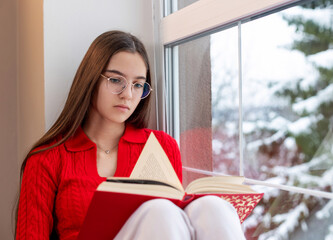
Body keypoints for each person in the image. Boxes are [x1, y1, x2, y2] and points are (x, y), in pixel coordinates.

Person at [15, 30, 245, 240]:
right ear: (90, 80)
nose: (128, 95)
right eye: (116, 80)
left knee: (213, 207)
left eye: (138, 85)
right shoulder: (47, 157)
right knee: (160, 211)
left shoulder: (161, 146)